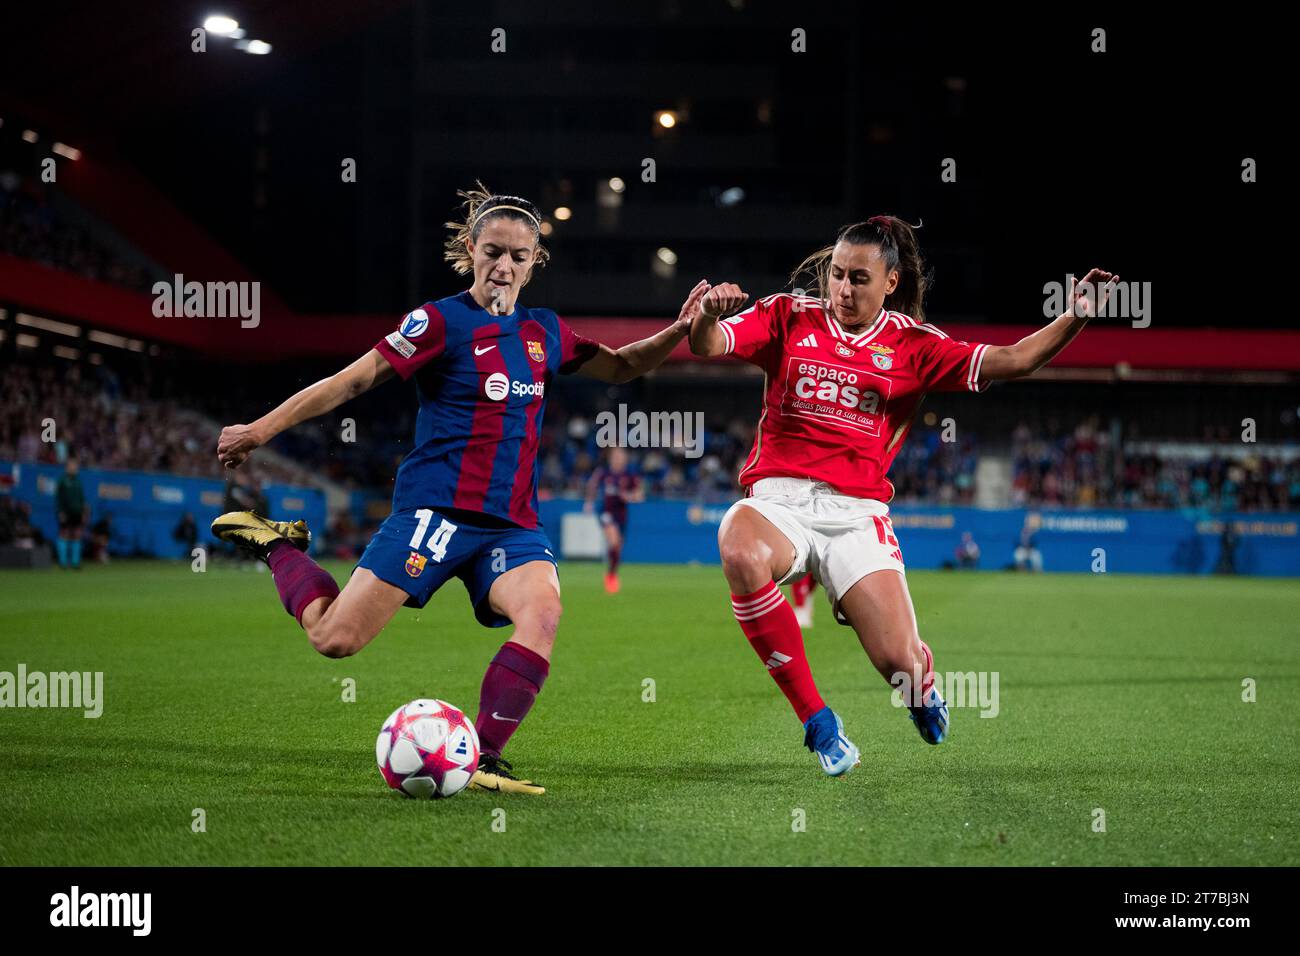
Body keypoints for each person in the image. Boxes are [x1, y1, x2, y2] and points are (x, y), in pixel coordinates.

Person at [211, 186, 708, 795]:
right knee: (333, 639)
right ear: (470, 249)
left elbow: (624, 365)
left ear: (534, 262)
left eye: (517, 256)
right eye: (492, 251)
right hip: (436, 514)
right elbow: (352, 382)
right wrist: (260, 430)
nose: (503, 266)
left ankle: (485, 758)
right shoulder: (439, 321)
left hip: (511, 525)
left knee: (544, 611)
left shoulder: (544, 332)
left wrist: (683, 328)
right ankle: (280, 547)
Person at [688, 215, 1115, 775]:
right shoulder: (787, 316)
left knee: (897, 663)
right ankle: (819, 724)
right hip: (779, 501)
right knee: (739, 547)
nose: (842, 289)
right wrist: (705, 318)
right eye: (835, 275)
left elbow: (1014, 360)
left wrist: (1076, 315)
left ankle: (919, 686)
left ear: (890, 282)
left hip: (857, 514)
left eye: (858, 278)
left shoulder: (914, 345)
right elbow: (709, 343)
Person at [583, 447, 644, 593]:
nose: (618, 459)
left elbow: (640, 495)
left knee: (618, 548)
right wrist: (589, 502)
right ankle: (611, 578)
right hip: (606, 512)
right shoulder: (603, 473)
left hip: (621, 514)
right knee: (614, 541)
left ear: (625, 459)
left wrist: (629, 496)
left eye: (621, 456)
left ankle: (611, 573)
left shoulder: (630, 476)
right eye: (615, 456)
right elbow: (592, 485)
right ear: (610, 458)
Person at [55, 457, 86, 570]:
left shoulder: (78, 481)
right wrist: (60, 512)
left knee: (77, 535)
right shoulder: (62, 481)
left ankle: (75, 562)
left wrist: (83, 512)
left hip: (77, 512)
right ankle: (63, 562)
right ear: (67, 468)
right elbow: (58, 498)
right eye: (73, 466)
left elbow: (82, 498)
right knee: (64, 534)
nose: (75, 468)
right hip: (66, 512)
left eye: (76, 466)